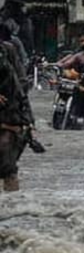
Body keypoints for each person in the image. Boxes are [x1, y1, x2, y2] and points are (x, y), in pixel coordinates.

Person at [0, 26, 35, 191]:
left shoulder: (8, 49)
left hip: (10, 108)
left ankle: (13, 205)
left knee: (8, 161)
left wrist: (26, 116)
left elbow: (21, 81)